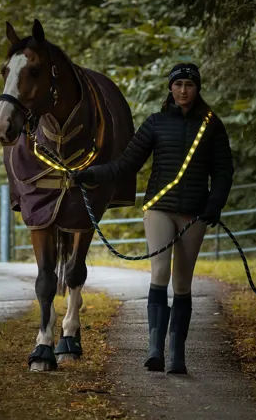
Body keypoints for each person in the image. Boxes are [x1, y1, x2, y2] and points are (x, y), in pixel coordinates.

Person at [70, 62, 234, 374]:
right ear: (170, 88)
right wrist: (91, 174)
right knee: (159, 273)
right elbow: (126, 163)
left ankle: (177, 355)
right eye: (178, 84)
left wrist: (216, 203)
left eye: (189, 84)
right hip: (159, 207)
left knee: (182, 282)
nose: (183, 90)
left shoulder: (212, 125)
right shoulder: (156, 123)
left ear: (197, 88)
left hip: (195, 212)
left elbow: (224, 170)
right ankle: (155, 349)